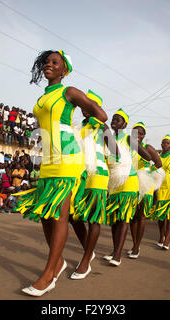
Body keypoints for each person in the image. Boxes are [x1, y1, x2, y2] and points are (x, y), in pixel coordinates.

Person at [15, 50, 107, 296]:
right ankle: (58, 262)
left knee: (60, 216)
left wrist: (81, 130)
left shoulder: (70, 92)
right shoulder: (43, 96)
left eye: (55, 62)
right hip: (48, 158)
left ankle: (49, 274)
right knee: (46, 213)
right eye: (47, 61)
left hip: (67, 158)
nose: (49, 65)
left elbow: (101, 115)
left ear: (64, 70)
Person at [69, 90, 118, 278]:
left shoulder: (103, 127)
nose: (85, 109)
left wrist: (106, 138)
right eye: (84, 106)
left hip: (98, 175)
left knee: (93, 218)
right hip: (80, 175)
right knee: (73, 216)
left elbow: (116, 153)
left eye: (90, 106)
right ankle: (88, 251)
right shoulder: (78, 126)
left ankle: (86, 260)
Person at [104, 109, 151, 263]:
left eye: (117, 120)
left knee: (124, 218)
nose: (113, 122)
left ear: (124, 124)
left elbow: (148, 156)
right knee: (114, 220)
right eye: (113, 119)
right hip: (114, 184)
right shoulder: (108, 139)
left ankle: (118, 255)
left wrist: (136, 145)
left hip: (128, 182)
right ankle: (114, 250)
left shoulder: (129, 139)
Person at [128, 122, 162, 258]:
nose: (138, 135)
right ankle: (134, 244)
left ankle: (137, 247)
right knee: (132, 217)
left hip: (145, 184)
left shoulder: (147, 148)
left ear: (144, 136)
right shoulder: (129, 146)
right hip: (132, 183)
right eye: (135, 132)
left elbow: (159, 164)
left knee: (141, 216)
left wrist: (149, 171)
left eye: (141, 133)